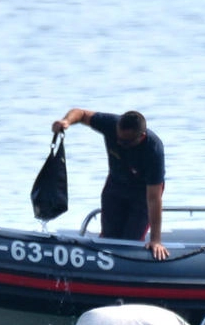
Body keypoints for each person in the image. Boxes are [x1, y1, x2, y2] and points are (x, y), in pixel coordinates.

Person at [51, 108, 169, 260]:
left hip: (142, 193)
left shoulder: (153, 149)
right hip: (116, 185)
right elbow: (81, 113)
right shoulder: (110, 124)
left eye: (125, 142)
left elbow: (154, 198)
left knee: (129, 241)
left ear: (141, 137)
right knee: (109, 236)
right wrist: (66, 121)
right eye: (117, 138)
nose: (119, 143)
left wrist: (155, 240)